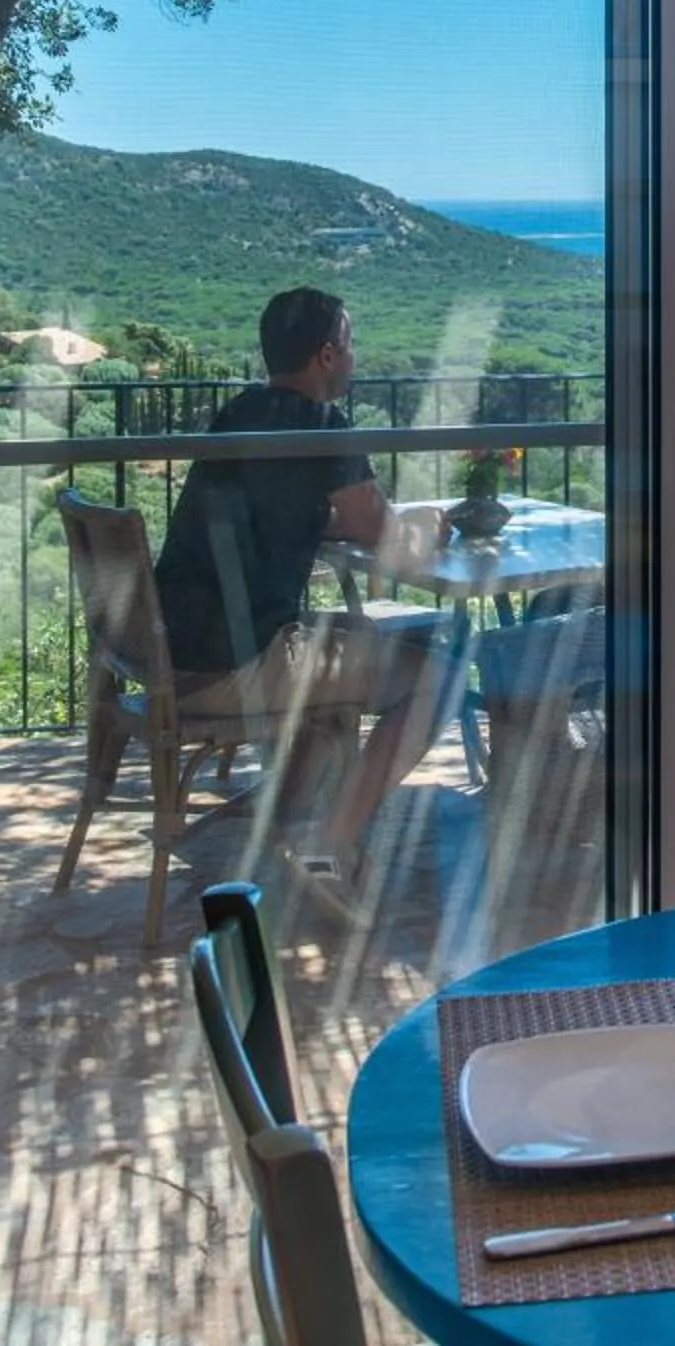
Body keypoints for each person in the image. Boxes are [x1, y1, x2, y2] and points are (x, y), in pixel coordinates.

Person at [150, 286, 454, 899]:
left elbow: (297, 510)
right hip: (240, 662)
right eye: (349, 345)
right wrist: (431, 530)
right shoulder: (322, 427)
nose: (353, 357)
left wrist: (357, 517)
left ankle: (281, 824)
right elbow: (386, 540)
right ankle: (330, 845)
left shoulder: (239, 414)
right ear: (325, 355)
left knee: (350, 646)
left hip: (170, 654)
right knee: (436, 678)